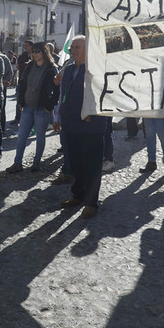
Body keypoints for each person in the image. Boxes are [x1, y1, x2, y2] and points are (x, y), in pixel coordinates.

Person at [53, 36, 110, 218]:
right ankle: (78, 195)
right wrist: (58, 116)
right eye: (72, 47)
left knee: (92, 166)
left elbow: (105, 95)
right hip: (71, 125)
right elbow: (63, 94)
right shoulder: (68, 70)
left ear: (87, 50)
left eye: (77, 47)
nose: (73, 50)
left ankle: (91, 203)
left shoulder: (97, 70)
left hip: (91, 126)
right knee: (76, 164)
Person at [6, 41, 58, 173]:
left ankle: (36, 162)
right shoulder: (29, 67)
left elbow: (56, 90)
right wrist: (21, 103)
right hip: (27, 107)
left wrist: (49, 106)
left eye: (37, 51)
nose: (34, 54)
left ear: (44, 52)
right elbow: (22, 85)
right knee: (22, 136)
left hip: (42, 109)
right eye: (33, 51)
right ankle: (17, 163)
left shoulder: (51, 69)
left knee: (40, 137)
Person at [13, 39, 33, 124]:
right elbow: (18, 66)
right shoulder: (22, 55)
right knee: (19, 99)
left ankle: (29, 119)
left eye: (27, 45)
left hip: (32, 82)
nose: (25, 47)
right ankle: (18, 118)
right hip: (22, 80)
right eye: (24, 45)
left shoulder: (35, 54)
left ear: (31, 46)